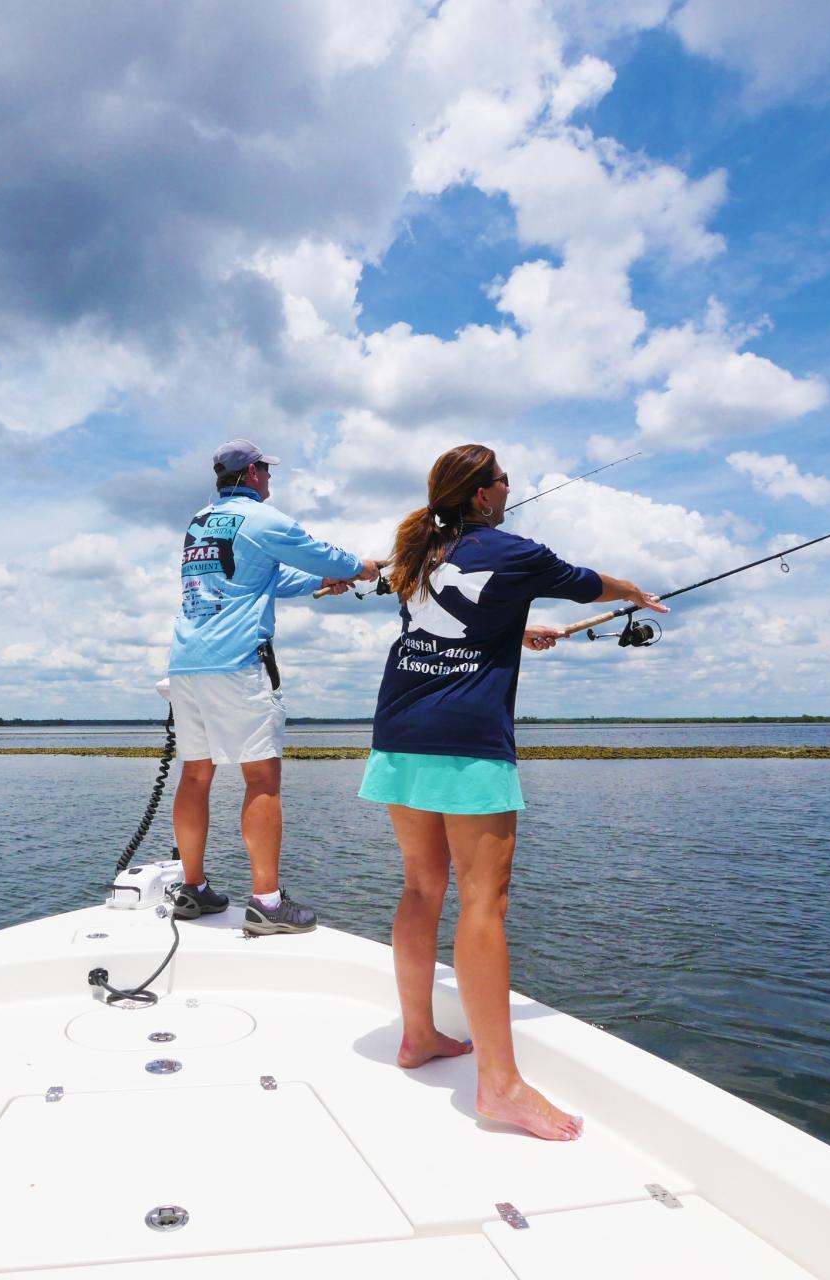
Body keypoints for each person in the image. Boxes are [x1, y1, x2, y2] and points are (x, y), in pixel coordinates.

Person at [359, 443, 666, 1140]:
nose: (509, 486)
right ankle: (498, 1086)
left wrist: (514, 632)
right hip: (466, 741)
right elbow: (591, 583)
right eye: (503, 479)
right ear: (481, 495)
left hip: (399, 729)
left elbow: (444, 625)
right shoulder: (517, 552)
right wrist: (638, 593)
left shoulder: (420, 555)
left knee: (419, 888)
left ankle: (418, 1037)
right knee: (484, 903)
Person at [166, 438, 379, 934]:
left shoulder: (198, 523)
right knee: (261, 778)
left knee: (195, 776)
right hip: (237, 662)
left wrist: (318, 585)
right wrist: (357, 568)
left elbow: (262, 577)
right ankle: (265, 901)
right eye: (267, 469)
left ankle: (192, 890)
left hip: (186, 663)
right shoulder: (267, 519)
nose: (271, 478)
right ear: (253, 473)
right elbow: (323, 554)